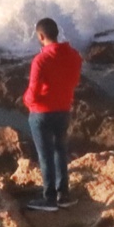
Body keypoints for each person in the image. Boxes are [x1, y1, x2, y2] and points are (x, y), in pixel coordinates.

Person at [23, 17, 82, 212]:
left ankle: (49, 198)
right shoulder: (74, 56)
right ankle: (63, 194)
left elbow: (34, 90)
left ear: (41, 36)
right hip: (63, 110)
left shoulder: (41, 60)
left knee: (45, 154)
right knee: (60, 151)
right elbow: (74, 81)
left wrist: (28, 102)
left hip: (41, 113)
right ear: (56, 33)